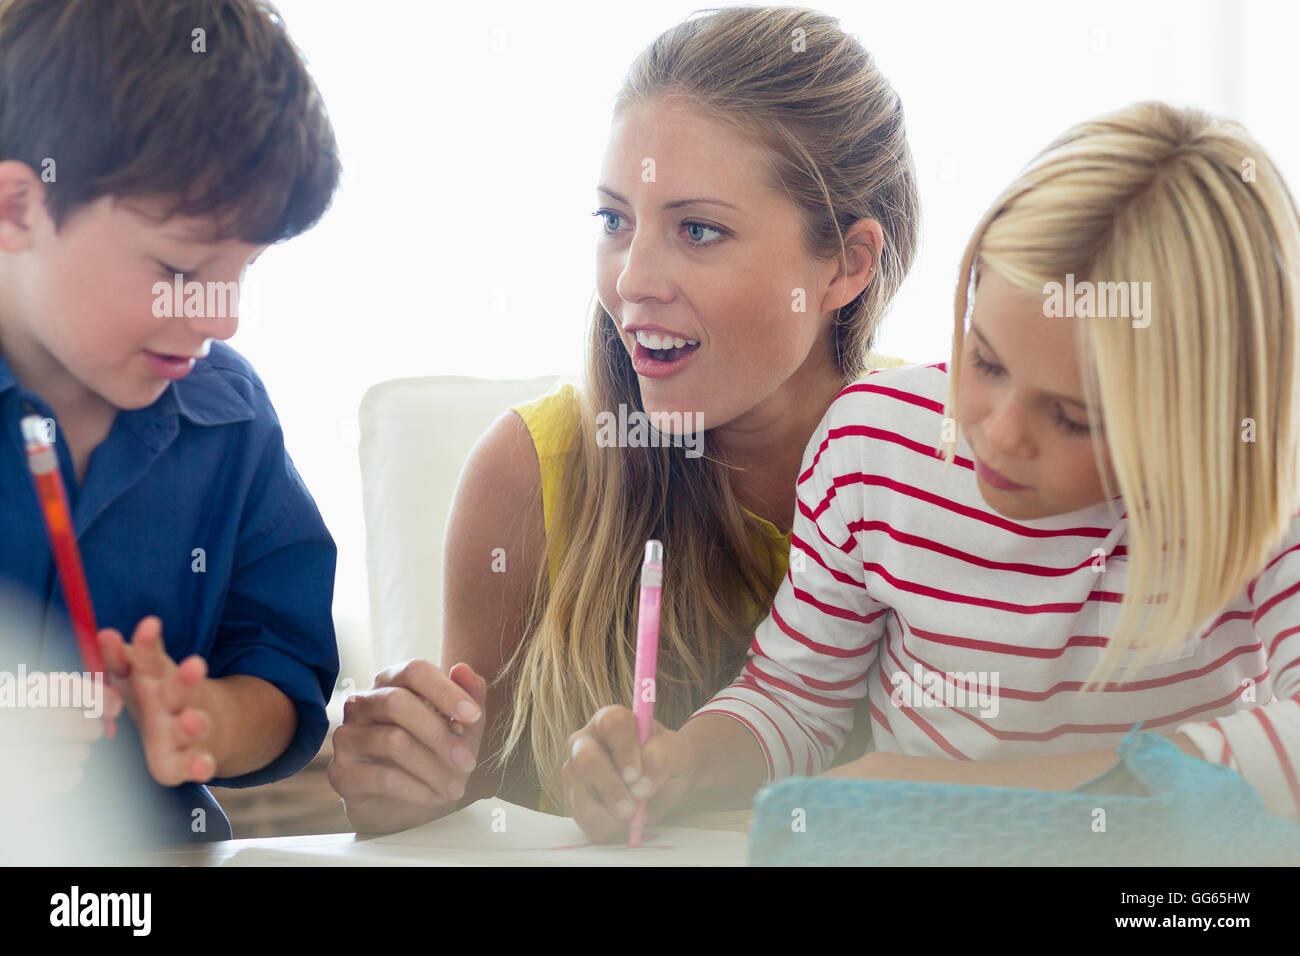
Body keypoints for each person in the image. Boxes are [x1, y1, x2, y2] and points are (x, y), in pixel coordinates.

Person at [564, 100, 1300, 839]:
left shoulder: (1267, 495)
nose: (1000, 436)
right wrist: (682, 765)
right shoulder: (874, 446)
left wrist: (963, 790)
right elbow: (794, 698)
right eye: (985, 361)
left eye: (1075, 418)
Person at [328, 5, 920, 832]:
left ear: (848, 265)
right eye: (615, 221)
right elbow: (452, 813)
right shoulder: (527, 475)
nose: (632, 280)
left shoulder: (941, 455)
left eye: (700, 230)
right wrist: (400, 778)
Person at [0, 0, 341, 846]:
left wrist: (209, 719)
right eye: (184, 269)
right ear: (16, 209)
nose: (222, 318)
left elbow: (283, 669)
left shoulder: (232, 419)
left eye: (246, 269)